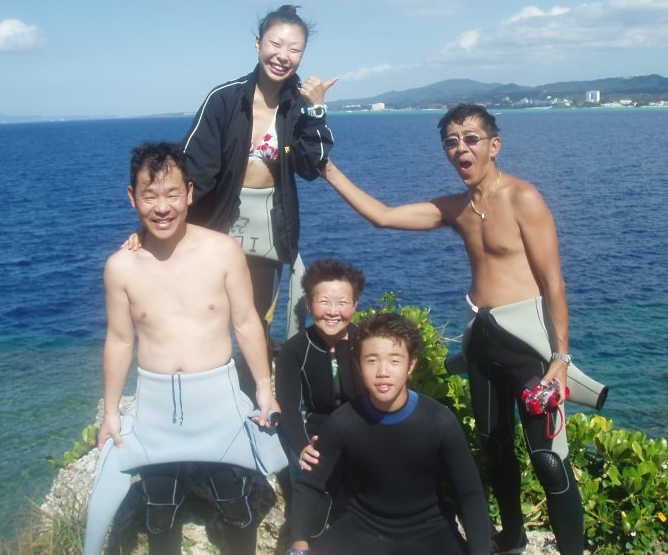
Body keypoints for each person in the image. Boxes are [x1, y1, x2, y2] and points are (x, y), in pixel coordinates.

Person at [320, 103, 594, 554]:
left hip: (528, 345)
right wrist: (327, 168)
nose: (460, 148)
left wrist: (561, 359)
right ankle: (513, 536)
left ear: (494, 145)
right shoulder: (456, 208)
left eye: (471, 138)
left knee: (548, 458)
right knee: (493, 448)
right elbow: (382, 216)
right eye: (451, 141)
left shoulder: (523, 198)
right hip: (483, 340)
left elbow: (553, 283)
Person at [83, 142, 286, 555]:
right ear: (132, 197)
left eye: (172, 194)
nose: (162, 207)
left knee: (236, 504)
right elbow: (120, 340)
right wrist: (111, 412)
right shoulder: (121, 266)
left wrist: (264, 388)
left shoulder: (223, 251)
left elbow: (246, 322)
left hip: (217, 400)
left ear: (190, 193)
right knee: (160, 513)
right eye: (150, 196)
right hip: (156, 405)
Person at [182, 4, 337, 357]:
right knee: (206, 312)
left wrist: (316, 110)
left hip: (269, 221)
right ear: (258, 43)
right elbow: (192, 171)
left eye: (294, 49)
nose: (283, 56)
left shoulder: (299, 104)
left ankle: (257, 385)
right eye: (275, 44)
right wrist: (157, 225)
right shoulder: (225, 99)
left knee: (257, 319)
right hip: (218, 219)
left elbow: (311, 166)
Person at [288, 312, 494, 555]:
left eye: (395, 360)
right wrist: (299, 546)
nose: (382, 371)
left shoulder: (439, 421)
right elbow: (309, 487)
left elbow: (470, 494)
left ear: (411, 364)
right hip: (363, 526)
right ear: (358, 365)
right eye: (371, 360)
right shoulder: (343, 422)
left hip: (430, 530)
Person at [274, 258, 366, 535]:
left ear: (354, 305)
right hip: (314, 438)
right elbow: (289, 408)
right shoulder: (294, 350)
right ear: (309, 304)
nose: (333, 312)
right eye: (324, 302)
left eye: (342, 303)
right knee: (312, 509)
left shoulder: (367, 343)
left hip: (360, 435)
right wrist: (302, 447)